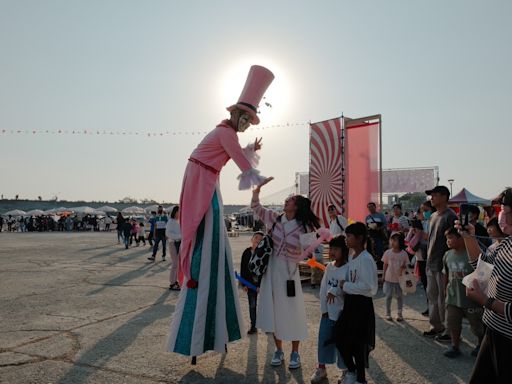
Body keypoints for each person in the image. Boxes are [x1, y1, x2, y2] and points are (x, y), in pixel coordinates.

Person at [168, 65, 274, 358]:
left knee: (216, 242)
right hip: (203, 180)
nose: (248, 125)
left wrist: (250, 151)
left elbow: (236, 155)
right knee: (208, 237)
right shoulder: (225, 132)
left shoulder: (226, 133)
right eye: (248, 121)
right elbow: (239, 160)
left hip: (206, 179)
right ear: (239, 116)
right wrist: (258, 178)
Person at [252, 177, 320, 369]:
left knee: (293, 311)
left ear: (296, 206)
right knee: (273, 311)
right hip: (272, 270)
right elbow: (256, 207)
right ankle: (279, 350)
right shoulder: (275, 218)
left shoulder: (304, 226)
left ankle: (295, 353)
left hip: (290, 273)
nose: (286, 201)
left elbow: (309, 252)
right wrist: (257, 189)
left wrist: (311, 245)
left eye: (290, 200)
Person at [458, 188, 512, 382]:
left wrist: (485, 301)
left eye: (507, 212)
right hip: (494, 330)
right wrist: (468, 237)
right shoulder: (506, 243)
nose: (502, 216)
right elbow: (482, 267)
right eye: (502, 210)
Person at [336, 222, 378, 384]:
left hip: (361, 305)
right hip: (350, 303)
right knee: (341, 338)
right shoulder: (353, 256)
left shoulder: (366, 259)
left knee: (358, 344)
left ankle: (360, 378)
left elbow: (369, 288)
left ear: (359, 238)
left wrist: (345, 285)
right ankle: (352, 372)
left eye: (349, 236)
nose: (347, 239)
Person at [310, 235, 349, 384]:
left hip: (342, 314)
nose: (332, 251)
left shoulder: (348, 268)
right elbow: (323, 289)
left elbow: (346, 288)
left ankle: (345, 371)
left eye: (336, 248)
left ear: (344, 250)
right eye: (331, 248)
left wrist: (336, 290)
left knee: (342, 344)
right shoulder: (329, 267)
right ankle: (321, 368)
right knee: (324, 340)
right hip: (327, 314)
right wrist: (323, 309)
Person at [441, 227, 484, 358]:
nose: (448, 241)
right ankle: (455, 346)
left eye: (451, 238)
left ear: (460, 238)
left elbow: (482, 275)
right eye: (447, 239)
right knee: (453, 322)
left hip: (471, 299)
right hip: (453, 297)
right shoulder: (447, 255)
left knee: (476, 325)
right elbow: (446, 274)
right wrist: (445, 291)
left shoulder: (471, 254)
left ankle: (481, 344)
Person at [423, 186, 457, 340]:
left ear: (444, 197)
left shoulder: (451, 216)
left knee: (444, 298)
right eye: (431, 196)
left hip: (444, 265)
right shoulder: (433, 216)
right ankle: (436, 326)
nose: (432, 198)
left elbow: (455, 241)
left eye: (435, 195)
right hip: (431, 262)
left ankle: (449, 330)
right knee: (432, 296)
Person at [239, 231, 264, 334]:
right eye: (256, 237)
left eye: (260, 239)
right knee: (252, 305)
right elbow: (243, 269)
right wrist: (243, 284)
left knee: (265, 305)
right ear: (252, 239)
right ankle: (253, 326)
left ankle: (269, 326)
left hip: (262, 284)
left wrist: (261, 285)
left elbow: (265, 270)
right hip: (250, 284)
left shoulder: (264, 253)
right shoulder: (246, 252)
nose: (258, 240)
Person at [406, 210, 429, 316]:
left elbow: (427, 238)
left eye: (425, 211)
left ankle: (433, 307)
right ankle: (430, 307)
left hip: (427, 260)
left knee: (429, 285)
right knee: (425, 285)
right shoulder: (416, 231)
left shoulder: (430, 224)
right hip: (420, 260)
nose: (422, 214)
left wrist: (420, 233)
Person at [382, 232, 409, 322]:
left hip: (399, 280)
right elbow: (385, 264)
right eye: (391, 240)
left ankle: (399, 314)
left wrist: (404, 267)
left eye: (395, 240)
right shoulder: (387, 253)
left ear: (400, 242)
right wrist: (383, 275)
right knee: (388, 296)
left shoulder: (404, 254)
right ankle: (388, 313)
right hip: (389, 278)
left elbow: (407, 265)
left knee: (399, 297)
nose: (392, 242)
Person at [166, 205, 182, 291]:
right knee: (175, 264)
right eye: (179, 211)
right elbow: (168, 234)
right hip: (173, 243)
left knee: (178, 264)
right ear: (175, 212)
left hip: (179, 243)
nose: (180, 213)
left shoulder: (178, 221)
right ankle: (172, 283)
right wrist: (180, 236)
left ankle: (175, 281)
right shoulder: (171, 221)